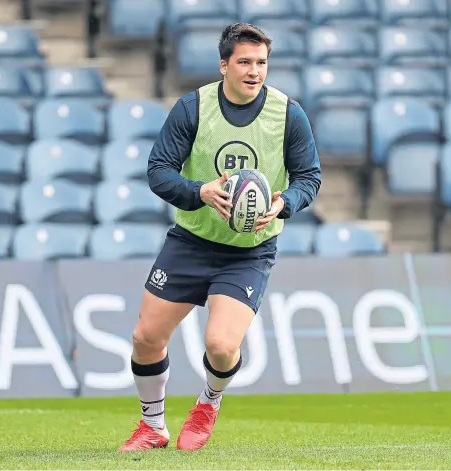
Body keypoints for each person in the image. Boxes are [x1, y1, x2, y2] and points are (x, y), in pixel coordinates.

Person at [119, 22, 321, 452]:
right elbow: (158, 171)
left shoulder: (289, 114)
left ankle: (208, 402)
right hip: (190, 240)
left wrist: (284, 203)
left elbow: (309, 178)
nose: (254, 71)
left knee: (221, 345)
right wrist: (200, 192)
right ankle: (152, 426)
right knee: (145, 337)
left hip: (248, 251)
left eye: (261, 62)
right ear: (224, 65)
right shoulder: (193, 108)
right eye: (245, 62)